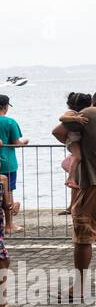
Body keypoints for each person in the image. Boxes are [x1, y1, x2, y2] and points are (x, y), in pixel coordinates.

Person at [52, 88, 96, 302]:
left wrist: (75, 148)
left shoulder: (91, 113)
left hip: (95, 182)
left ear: (94, 102)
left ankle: (80, 287)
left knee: (83, 236)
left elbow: (57, 130)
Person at [57, 92, 93, 215]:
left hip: (76, 141)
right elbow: (62, 118)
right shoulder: (72, 113)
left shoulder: (83, 114)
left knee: (78, 161)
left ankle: (74, 206)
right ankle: (70, 179)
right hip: (73, 141)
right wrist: (75, 119)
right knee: (77, 158)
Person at [0, 94, 28, 234]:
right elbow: (17, 143)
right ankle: (9, 225)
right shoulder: (10, 122)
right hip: (8, 163)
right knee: (8, 192)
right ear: (5, 106)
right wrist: (25, 142)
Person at [0, 173, 18, 307]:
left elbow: (6, 205)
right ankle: (2, 305)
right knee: (3, 260)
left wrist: (13, 207)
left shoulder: (3, 179)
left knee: (4, 260)